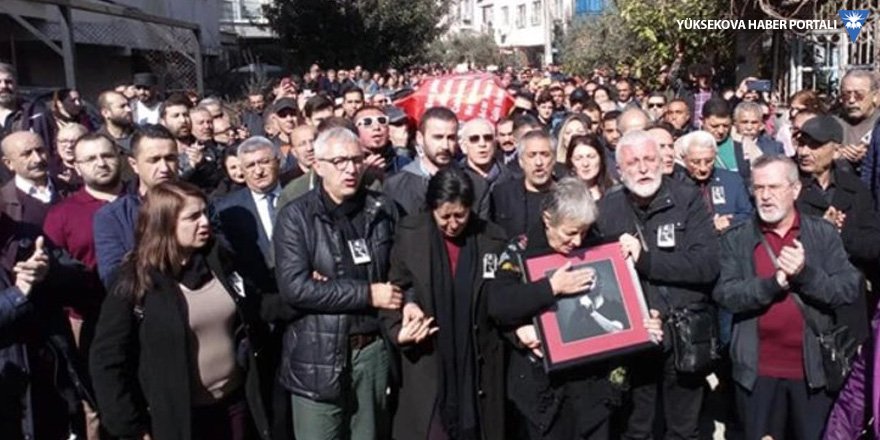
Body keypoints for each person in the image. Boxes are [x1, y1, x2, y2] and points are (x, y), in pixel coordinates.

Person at [90, 181, 270, 440]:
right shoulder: (135, 280)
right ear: (164, 223)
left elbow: (256, 305)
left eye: (205, 213)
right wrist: (130, 426)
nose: (205, 222)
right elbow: (107, 359)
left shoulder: (218, 259)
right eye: (193, 217)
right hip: (178, 418)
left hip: (235, 406)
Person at [489, 177, 664, 439]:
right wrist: (550, 288)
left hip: (595, 390)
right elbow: (498, 305)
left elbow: (623, 304)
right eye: (570, 233)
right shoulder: (519, 249)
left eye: (583, 232)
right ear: (548, 219)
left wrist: (645, 320)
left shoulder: (600, 246)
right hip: (543, 391)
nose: (578, 241)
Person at [713, 155, 861, 440]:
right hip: (757, 374)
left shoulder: (822, 233)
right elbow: (725, 294)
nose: (765, 196)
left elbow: (848, 288)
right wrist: (772, 284)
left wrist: (805, 275)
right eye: (759, 188)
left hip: (812, 374)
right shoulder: (737, 238)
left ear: (795, 190)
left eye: (774, 187)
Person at [273, 127, 401, 440]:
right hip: (317, 355)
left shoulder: (382, 209)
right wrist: (367, 293)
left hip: (371, 351)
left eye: (357, 160)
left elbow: (399, 273)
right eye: (340, 161)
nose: (351, 169)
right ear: (318, 165)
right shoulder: (296, 216)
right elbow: (295, 288)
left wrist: (328, 287)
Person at [594, 130, 720, 440]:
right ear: (618, 170)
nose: (643, 168)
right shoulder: (607, 209)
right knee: (636, 428)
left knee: (683, 430)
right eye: (633, 162)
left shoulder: (687, 199)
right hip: (633, 339)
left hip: (681, 334)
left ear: (663, 161)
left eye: (649, 159)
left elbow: (706, 265)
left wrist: (647, 261)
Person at [381, 167, 508, 439]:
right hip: (428, 363)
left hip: (476, 364)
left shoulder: (492, 240)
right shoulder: (411, 235)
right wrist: (400, 323)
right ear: (432, 209)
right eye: (445, 217)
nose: (453, 224)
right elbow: (396, 287)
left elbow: (501, 296)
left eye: (460, 215)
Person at [94, 124, 179, 285]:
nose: (164, 168)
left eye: (170, 158)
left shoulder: (197, 203)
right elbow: (113, 278)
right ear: (134, 164)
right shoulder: (112, 217)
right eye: (154, 160)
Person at [1, 131, 74, 273]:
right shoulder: (4, 204)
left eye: (40, 150)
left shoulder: (71, 190)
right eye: (27, 154)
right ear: (9, 163)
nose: (37, 159)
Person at [384, 107, 459, 216]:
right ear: (420, 138)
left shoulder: (474, 183)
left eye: (451, 138)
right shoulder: (395, 186)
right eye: (438, 137)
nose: (445, 146)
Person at [677, 130, 753, 233]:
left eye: (709, 161)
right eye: (695, 162)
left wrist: (729, 221)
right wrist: (708, 225)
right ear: (683, 158)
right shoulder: (676, 185)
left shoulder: (732, 180)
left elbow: (748, 214)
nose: (703, 168)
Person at [490, 129, 556, 238]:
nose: (539, 162)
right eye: (532, 155)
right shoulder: (502, 195)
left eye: (545, 155)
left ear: (554, 159)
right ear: (521, 161)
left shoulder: (567, 195)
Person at [460, 118, 513, 219]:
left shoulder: (511, 178)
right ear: (463, 147)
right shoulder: (454, 178)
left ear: (495, 143)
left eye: (488, 138)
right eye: (474, 139)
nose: (482, 144)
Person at [355, 105, 412, 182]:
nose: (376, 127)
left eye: (382, 121)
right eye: (367, 122)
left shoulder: (405, 163)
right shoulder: (350, 166)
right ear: (355, 131)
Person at [564, 133, 615, 200]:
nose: (585, 164)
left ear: (601, 159)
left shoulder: (615, 191)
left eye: (591, 157)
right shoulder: (563, 195)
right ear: (571, 162)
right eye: (578, 158)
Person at [51, 123, 87, 188]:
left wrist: (79, 181)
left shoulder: (96, 165)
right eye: (64, 141)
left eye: (74, 141)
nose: (69, 146)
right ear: (57, 143)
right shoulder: (50, 170)